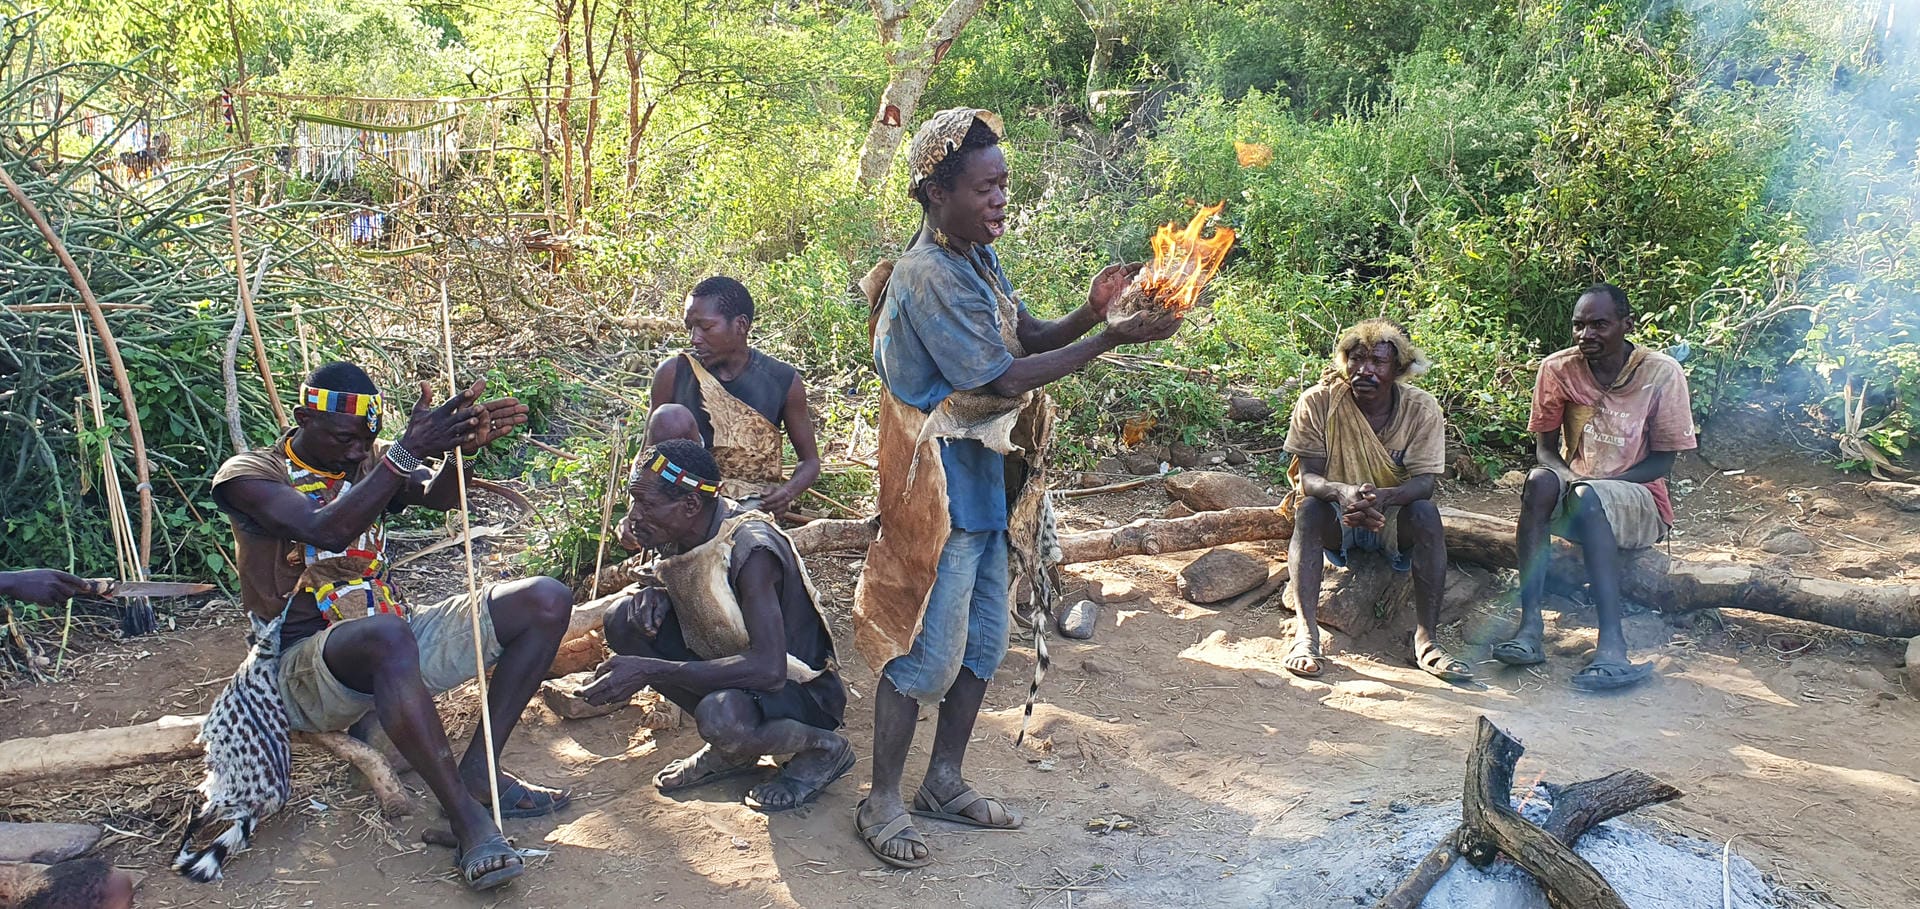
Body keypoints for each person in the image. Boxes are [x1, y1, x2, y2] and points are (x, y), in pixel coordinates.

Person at [853, 107, 1180, 869]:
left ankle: (943, 781)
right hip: (933, 490)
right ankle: (882, 800)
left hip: (985, 487)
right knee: (923, 656)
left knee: (985, 644)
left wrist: (1091, 312)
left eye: (1004, 184)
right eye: (985, 186)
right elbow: (1001, 376)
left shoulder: (974, 259)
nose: (1000, 199)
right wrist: (1110, 339)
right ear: (937, 192)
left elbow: (1025, 336)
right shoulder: (928, 273)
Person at [210, 361, 573, 892]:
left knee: (545, 598)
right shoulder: (249, 475)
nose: (358, 452)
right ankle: (469, 823)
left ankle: (479, 774)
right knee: (387, 634)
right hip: (298, 669)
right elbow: (326, 530)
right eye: (344, 439)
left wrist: (455, 452)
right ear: (301, 418)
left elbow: (441, 495)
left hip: (393, 639)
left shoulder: (370, 464)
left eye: (367, 440)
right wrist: (403, 453)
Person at [582, 439, 853, 812]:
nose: (634, 516)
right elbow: (701, 585)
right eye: (634, 502)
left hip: (799, 691)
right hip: (734, 667)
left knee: (720, 715)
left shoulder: (751, 549)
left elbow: (770, 670)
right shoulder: (680, 528)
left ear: (690, 505)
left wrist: (650, 669)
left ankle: (822, 749)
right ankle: (734, 750)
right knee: (624, 621)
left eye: (646, 504)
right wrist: (659, 590)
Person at [1493, 283, 1696, 690]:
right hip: (1578, 492)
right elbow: (1546, 452)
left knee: (1590, 495)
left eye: (1600, 325)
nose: (1587, 335)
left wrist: (1595, 486)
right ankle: (1530, 628)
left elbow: (1663, 461)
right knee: (1538, 481)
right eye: (1579, 325)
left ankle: (1613, 645)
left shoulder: (1660, 373)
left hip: (1639, 499)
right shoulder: (1558, 369)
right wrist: (1570, 479)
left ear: (1626, 324)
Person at [1281, 318, 1465, 682]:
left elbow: (1425, 483)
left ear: (1399, 368)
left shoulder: (1421, 409)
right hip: (1337, 515)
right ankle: (1306, 634)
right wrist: (1341, 493)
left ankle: (1427, 640)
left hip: (1392, 518)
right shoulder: (1319, 402)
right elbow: (1309, 478)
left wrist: (1385, 498)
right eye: (1356, 359)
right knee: (1309, 511)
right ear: (1343, 361)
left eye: (1378, 362)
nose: (1364, 370)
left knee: (1426, 513)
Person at [649, 276, 821, 513]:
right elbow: (647, 459)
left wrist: (786, 492)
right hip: (684, 508)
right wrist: (637, 512)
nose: (694, 338)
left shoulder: (782, 381)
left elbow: (810, 461)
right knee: (669, 417)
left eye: (706, 327)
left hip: (750, 506)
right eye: (690, 328)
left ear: (741, 325)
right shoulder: (673, 373)